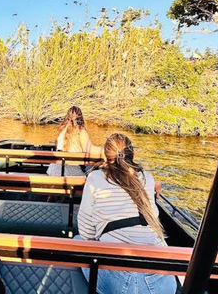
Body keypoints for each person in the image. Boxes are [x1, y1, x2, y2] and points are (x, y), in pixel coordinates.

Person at [77, 133, 176, 294]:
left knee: (78, 240)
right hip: (160, 284)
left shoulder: (95, 178)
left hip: (117, 283)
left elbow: (86, 232)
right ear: (132, 154)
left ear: (105, 155)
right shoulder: (147, 177)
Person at [47, 106, 104, 176]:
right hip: (69, 172)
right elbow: (90, 149)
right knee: (97, 168)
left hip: (54, 170)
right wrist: (105, 149)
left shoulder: (61, 130)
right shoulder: (80, 132)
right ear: (81, 118)